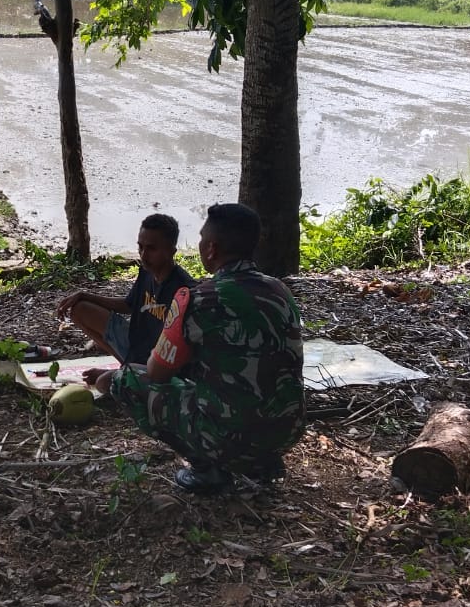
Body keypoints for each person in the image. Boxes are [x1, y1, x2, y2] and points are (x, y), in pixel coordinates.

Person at [94, 203, 305, 495]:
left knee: (126, 379)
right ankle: (263, 463)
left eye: (202, 238)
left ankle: (208, 470)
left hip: (227, 437)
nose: (201, 243)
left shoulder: (197, 299)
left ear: (212, 249)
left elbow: (156, 373)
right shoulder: (280, 291)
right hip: (287, 432)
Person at [55, 213, 195, 373]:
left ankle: (127, 374)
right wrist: (83, 295)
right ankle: (126, 368)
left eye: (151, 249)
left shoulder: (184, 290)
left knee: (104, 382)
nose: (143, 255)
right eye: (140, 247)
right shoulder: (147, 272)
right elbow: (128, 304)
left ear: (171, 251)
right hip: (137, 344)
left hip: (160, 363)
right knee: (80, 309)